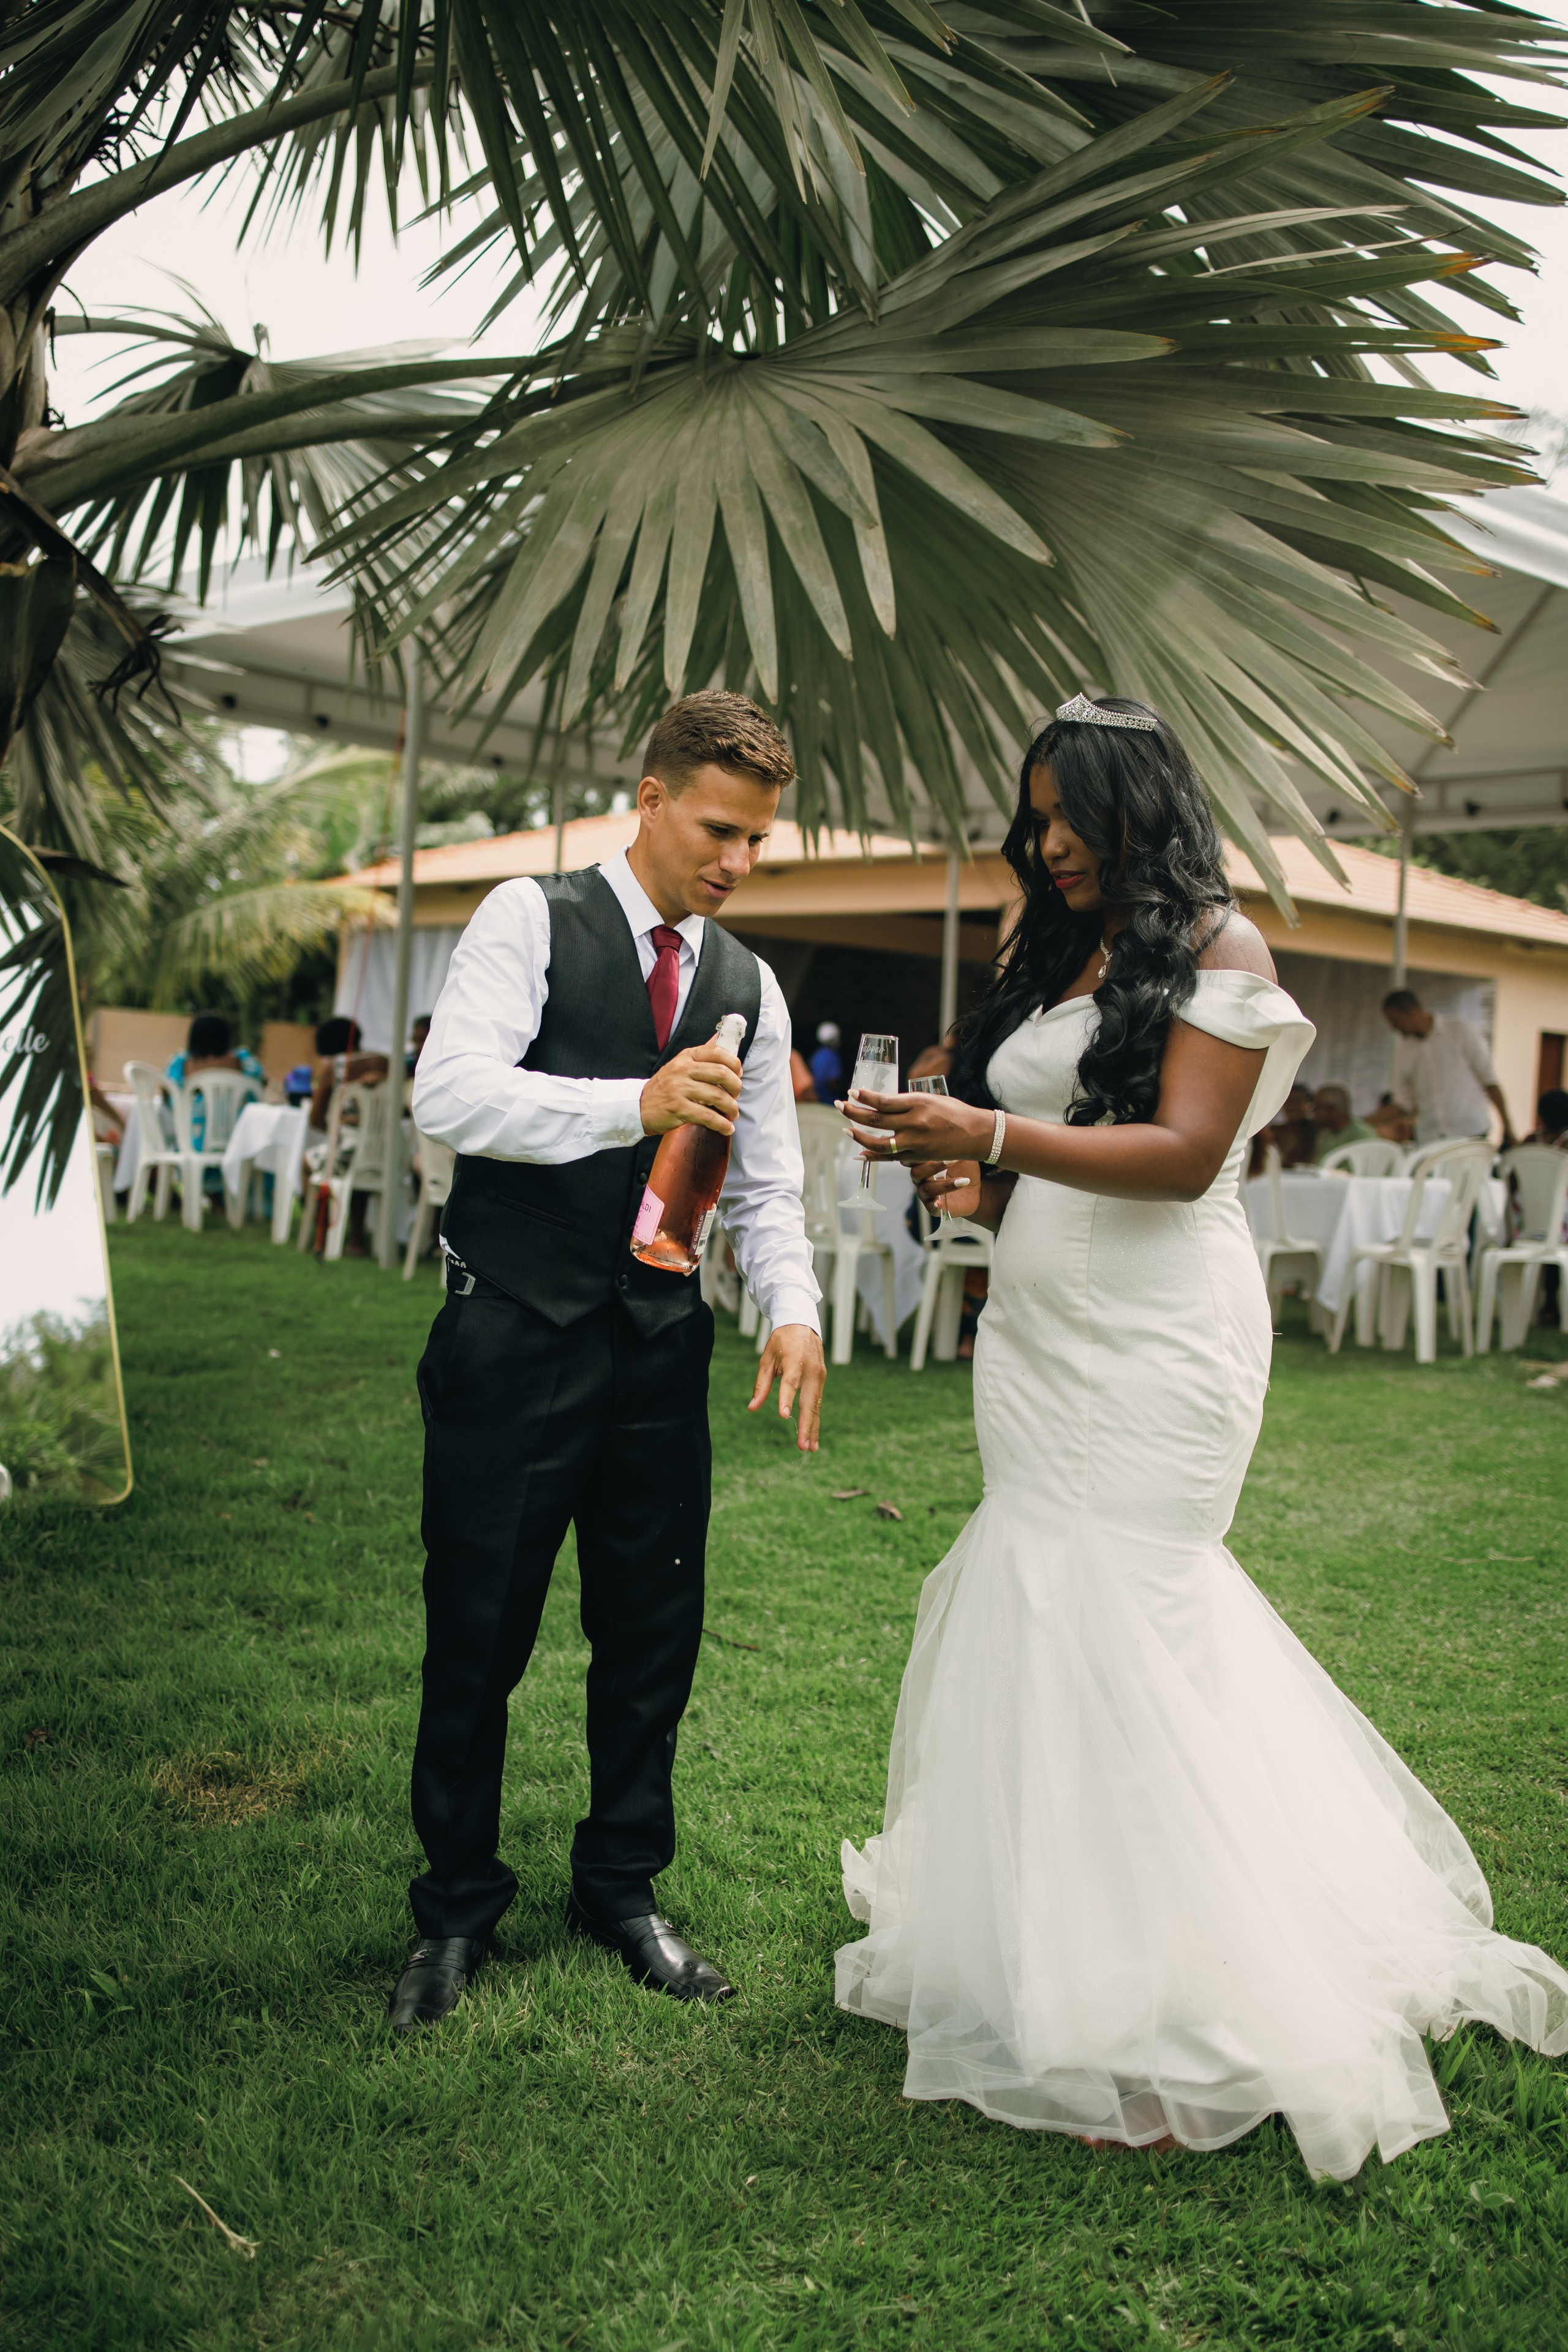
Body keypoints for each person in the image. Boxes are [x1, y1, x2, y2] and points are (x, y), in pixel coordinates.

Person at [835, 692, 1567, 2180]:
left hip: (1162, 1341)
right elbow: (1041, 1144)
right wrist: (961, 1171)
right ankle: (1068, 1948)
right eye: (1031, 819)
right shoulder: (1047, 946)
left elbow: (1174, 1160)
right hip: (1037, 1343)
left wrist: (988, 1138)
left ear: (1139, 808)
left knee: (1133, 1614)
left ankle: (1199, 1989)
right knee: (1047, 1605)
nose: (1044, 844)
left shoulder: (1224, 952)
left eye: (1067, 818)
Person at [390, 690, 827, 2032]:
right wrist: (624, 1107)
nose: (736, 862)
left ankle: (621, 1886)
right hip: (510, 1331)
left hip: (656, 1349)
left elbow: (764, 1186)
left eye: (757, 841)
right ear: (647, 799)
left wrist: (793, 1305)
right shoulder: (530, 918)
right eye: (717, 829)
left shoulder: (746, 983)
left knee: (649, 1636)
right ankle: (456, 1909)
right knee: (479, 1636)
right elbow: (447, 1093)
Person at [1382, 989, 1515, 1146]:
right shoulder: (1404, 1052)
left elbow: (1489, 1080)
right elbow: (1403, 1103)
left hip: (1471, 1132)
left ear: (1411, 1011)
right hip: (1431, 1137)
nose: (1393, 1028)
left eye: (1395, 1021)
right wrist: (1362, 1122)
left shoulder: (1459, 1031)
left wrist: (1507, 1127)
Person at [167, 1014, 263, 1159]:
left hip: (193, 1144)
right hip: (239, 1143)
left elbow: (169, 1097)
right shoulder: (244, 1063)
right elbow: (258, 1094)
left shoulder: (181, 1065)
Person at [1311, 1084, 1374, 1162]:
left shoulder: (1362, 1134)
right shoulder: (1326, 1134)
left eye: (1316, 1108)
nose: (1313, 1113)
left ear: (1330, 1109)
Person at [810, 1021, 843, 1104]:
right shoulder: (832, 1056)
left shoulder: (816, 1055)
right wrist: (847, 1090)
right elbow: (832, 1083)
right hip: (829, 1103)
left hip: (815, 1102)